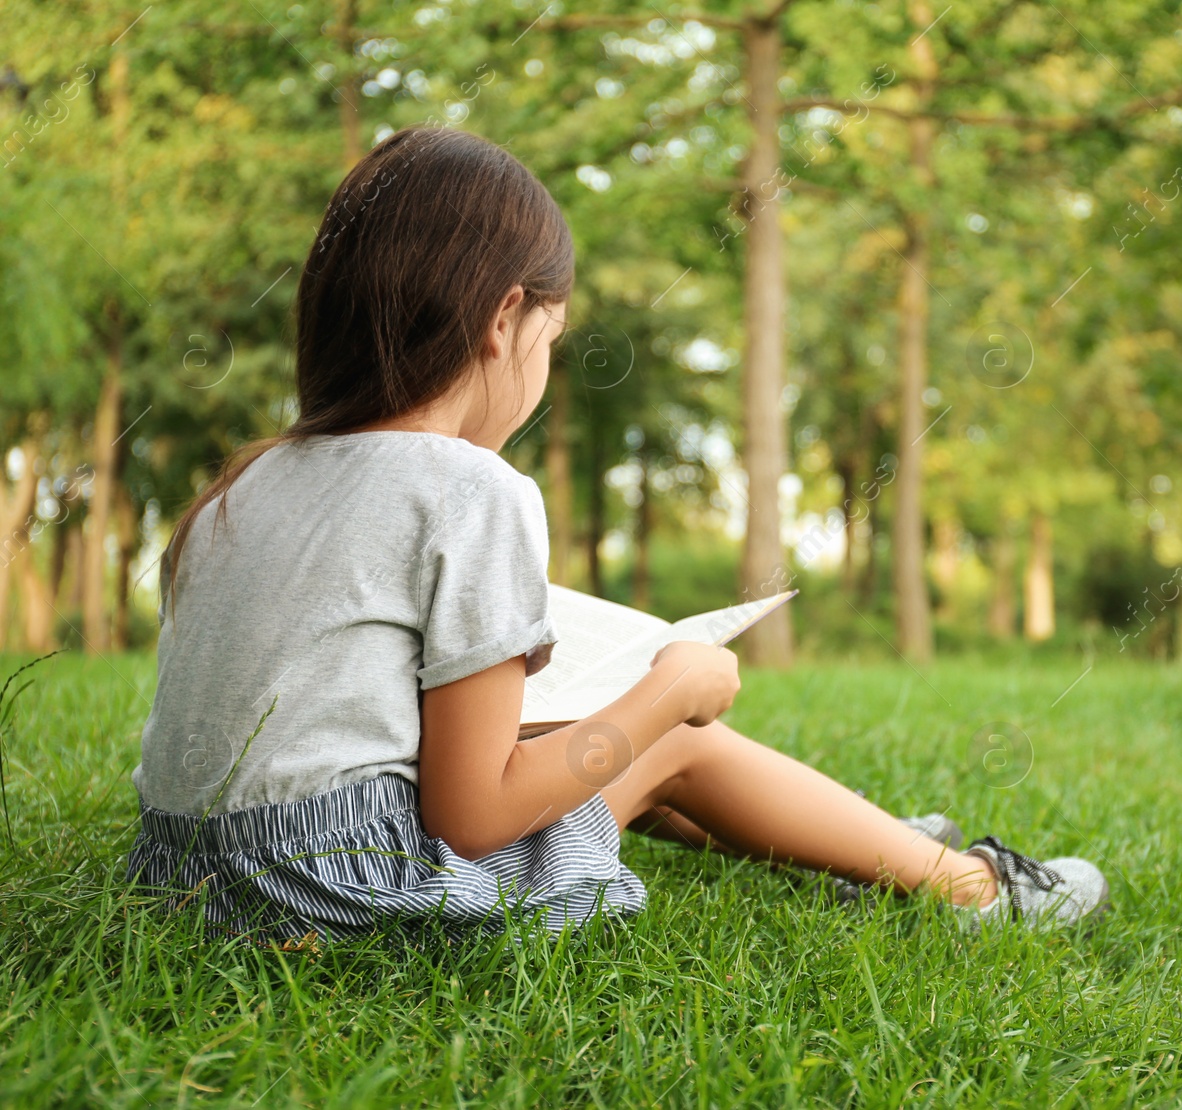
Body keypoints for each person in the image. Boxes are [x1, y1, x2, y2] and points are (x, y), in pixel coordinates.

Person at [125, 125, 1108, 944]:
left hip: (189, 881)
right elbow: (470, 819)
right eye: (551, 342)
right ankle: (970, 887)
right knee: (671, 743)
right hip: (347, 890)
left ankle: (873, 848)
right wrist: (671, 693)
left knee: (582, 734)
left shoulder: (244, 485)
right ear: (503, 320)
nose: (543, 367)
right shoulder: (470, 488)